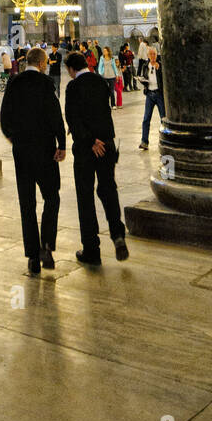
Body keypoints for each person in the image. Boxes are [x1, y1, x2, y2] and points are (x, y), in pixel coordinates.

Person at [0, 46, 66, 274]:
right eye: (46, 62)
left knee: (27, 204)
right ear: (41, 63)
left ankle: (32, 257)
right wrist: (62, 144)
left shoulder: (14, 83)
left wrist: (13, 138)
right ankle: (46, 247)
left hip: (22, 152)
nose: (47, 65)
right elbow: (56, 117)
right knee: (52, 198)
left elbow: (4, 117)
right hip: (45, 151)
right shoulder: (46, 84)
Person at [64, 50, 128, 265]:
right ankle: (118, 234)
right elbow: (104, 111)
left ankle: (91, 250)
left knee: (85, 196)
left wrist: (90, 141)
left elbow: (73, 118)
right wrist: (101, 139)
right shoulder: (101, 82)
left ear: (71, 69)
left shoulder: (73, 87)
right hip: (107, 144)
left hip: (86, 148)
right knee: (108, 188)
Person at [138, 46, 165, 150]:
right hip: (149, 94)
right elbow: (144, 76)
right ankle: (144, 142)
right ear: (148, 56)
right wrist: (142, 81)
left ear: (157, 55)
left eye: (154, 54)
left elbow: (164, 79)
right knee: (146, 119)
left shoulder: (160, 65)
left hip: (159, 94)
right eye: (151, 54)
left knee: (163, 118)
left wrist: (160, 69)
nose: (153, 56)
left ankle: (164, 140)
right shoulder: (145, 66)